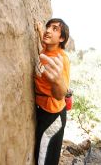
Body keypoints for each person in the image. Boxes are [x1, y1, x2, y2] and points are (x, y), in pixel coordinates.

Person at [34, 18, 70, 165]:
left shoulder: (61, 59)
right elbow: (43, 41)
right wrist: (39, 30)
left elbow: (61, 93)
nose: (48, 30)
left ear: (61, 38)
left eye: (55, 29)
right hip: (43, 110)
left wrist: (57, 81)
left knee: (44, 157)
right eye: (48, 27)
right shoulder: (47, 48)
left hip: (53, 116)